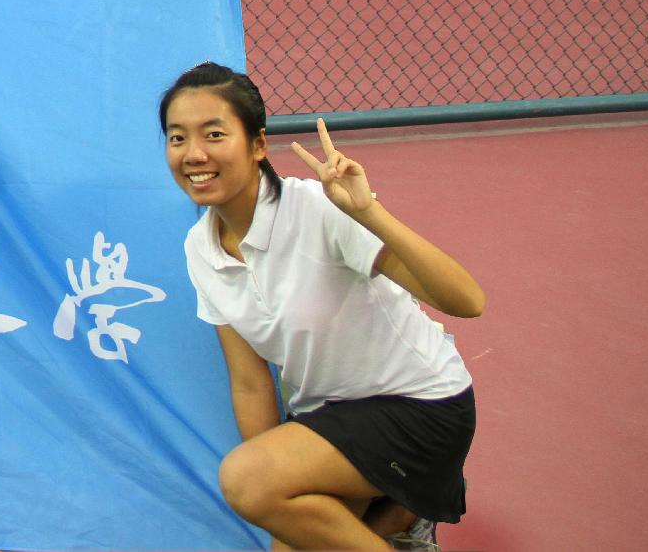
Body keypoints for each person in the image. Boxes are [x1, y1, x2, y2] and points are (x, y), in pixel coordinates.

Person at [159, 64, 485, 551]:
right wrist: (275, 490)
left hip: (419, 404)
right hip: (330, 420)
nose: (194, 154)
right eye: (177, 138)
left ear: (258, 145)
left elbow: (467, 301)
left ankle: (400, 509)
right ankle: (400, 520)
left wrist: (367, 213)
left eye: (214, 134)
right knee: (279, 523)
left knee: (245, 480)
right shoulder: (200, 248)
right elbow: (250, 382)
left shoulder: (319, 209)